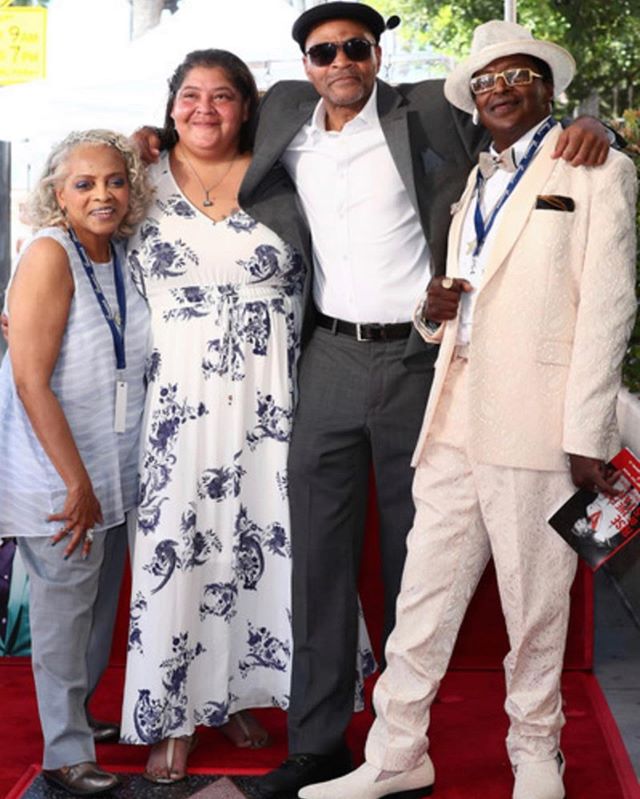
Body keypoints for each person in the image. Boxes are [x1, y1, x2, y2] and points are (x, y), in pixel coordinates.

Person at [135, 7, 612, 795]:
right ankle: (317, 743)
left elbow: (519, 136)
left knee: (416, 561)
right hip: (325, 356)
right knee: (317, 557)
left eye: (356, 47)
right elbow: (199, 129)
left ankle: (399, 743)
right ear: (306, 64)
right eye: (325, 51)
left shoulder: (427, 107)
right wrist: (147, 137)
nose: (341, 61)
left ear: (377, 53)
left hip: (423, 359)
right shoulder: (286, 114)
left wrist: (596, 132)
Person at [298, 19, 638, 799]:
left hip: (538, 419)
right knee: (421, 598)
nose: (500, 89)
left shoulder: (595, 165)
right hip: (451, 415)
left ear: (548, 89)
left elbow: (609, 306)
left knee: (535, 602)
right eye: (486, 81)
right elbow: (464, 291)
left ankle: (535, 754)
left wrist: (585, 430)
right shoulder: (476, 176)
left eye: (518, 75)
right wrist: (431, 310)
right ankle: (395, 751)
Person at [119, 48, 342, 784]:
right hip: (177, 410)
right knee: (179, 553)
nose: (204, 109)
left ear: (250, 106)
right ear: (169, 103)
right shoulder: (137, 182)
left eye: (223, 96)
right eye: (190, 94)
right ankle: (173, 718)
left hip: (270, 405)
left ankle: (235, 693)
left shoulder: (289, 175)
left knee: (262, 548)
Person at [0, 129, 152, 795]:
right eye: (84, 183)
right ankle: (66, 753)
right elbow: (31, 379)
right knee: (66, 613)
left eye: (115, 180)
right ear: (57, 196)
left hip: (112, 464)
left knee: (95, 608)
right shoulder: (48, 253)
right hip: (58, 470)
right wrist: (75, 481)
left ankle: (81, 720)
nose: (102, 194)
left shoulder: (119, 252)